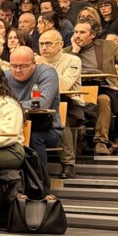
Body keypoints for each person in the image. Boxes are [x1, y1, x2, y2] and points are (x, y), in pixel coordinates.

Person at [69, 20, 118, 155]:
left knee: (104, 99)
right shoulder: (67, 52)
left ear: (93, 34)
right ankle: (108, 141)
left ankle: (100, 141)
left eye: (82, 32)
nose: (77, 36)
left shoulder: (108, 46)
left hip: (104, 88)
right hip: (77, 92)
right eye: (75, 32)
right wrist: (74, 52)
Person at [6, 46, 62, 169]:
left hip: (46, 128)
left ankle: (39, 177)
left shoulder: (47, 72)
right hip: (13, 126)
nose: (18, 70)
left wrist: (11, 105)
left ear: (34, 63)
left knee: (33, 137)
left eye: (23, 66)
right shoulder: (6, 75)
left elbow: (42, 103)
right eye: (13, 66)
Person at [39, 30, 83, 177]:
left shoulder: (72, 60)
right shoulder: (34, 62)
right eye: (41, 44)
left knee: (60, 118)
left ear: (61, 45)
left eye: (48, 43)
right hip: (42, 105)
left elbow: (64, 86)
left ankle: (69, 164)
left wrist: (46, 67)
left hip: (71, 105)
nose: (44, 47)